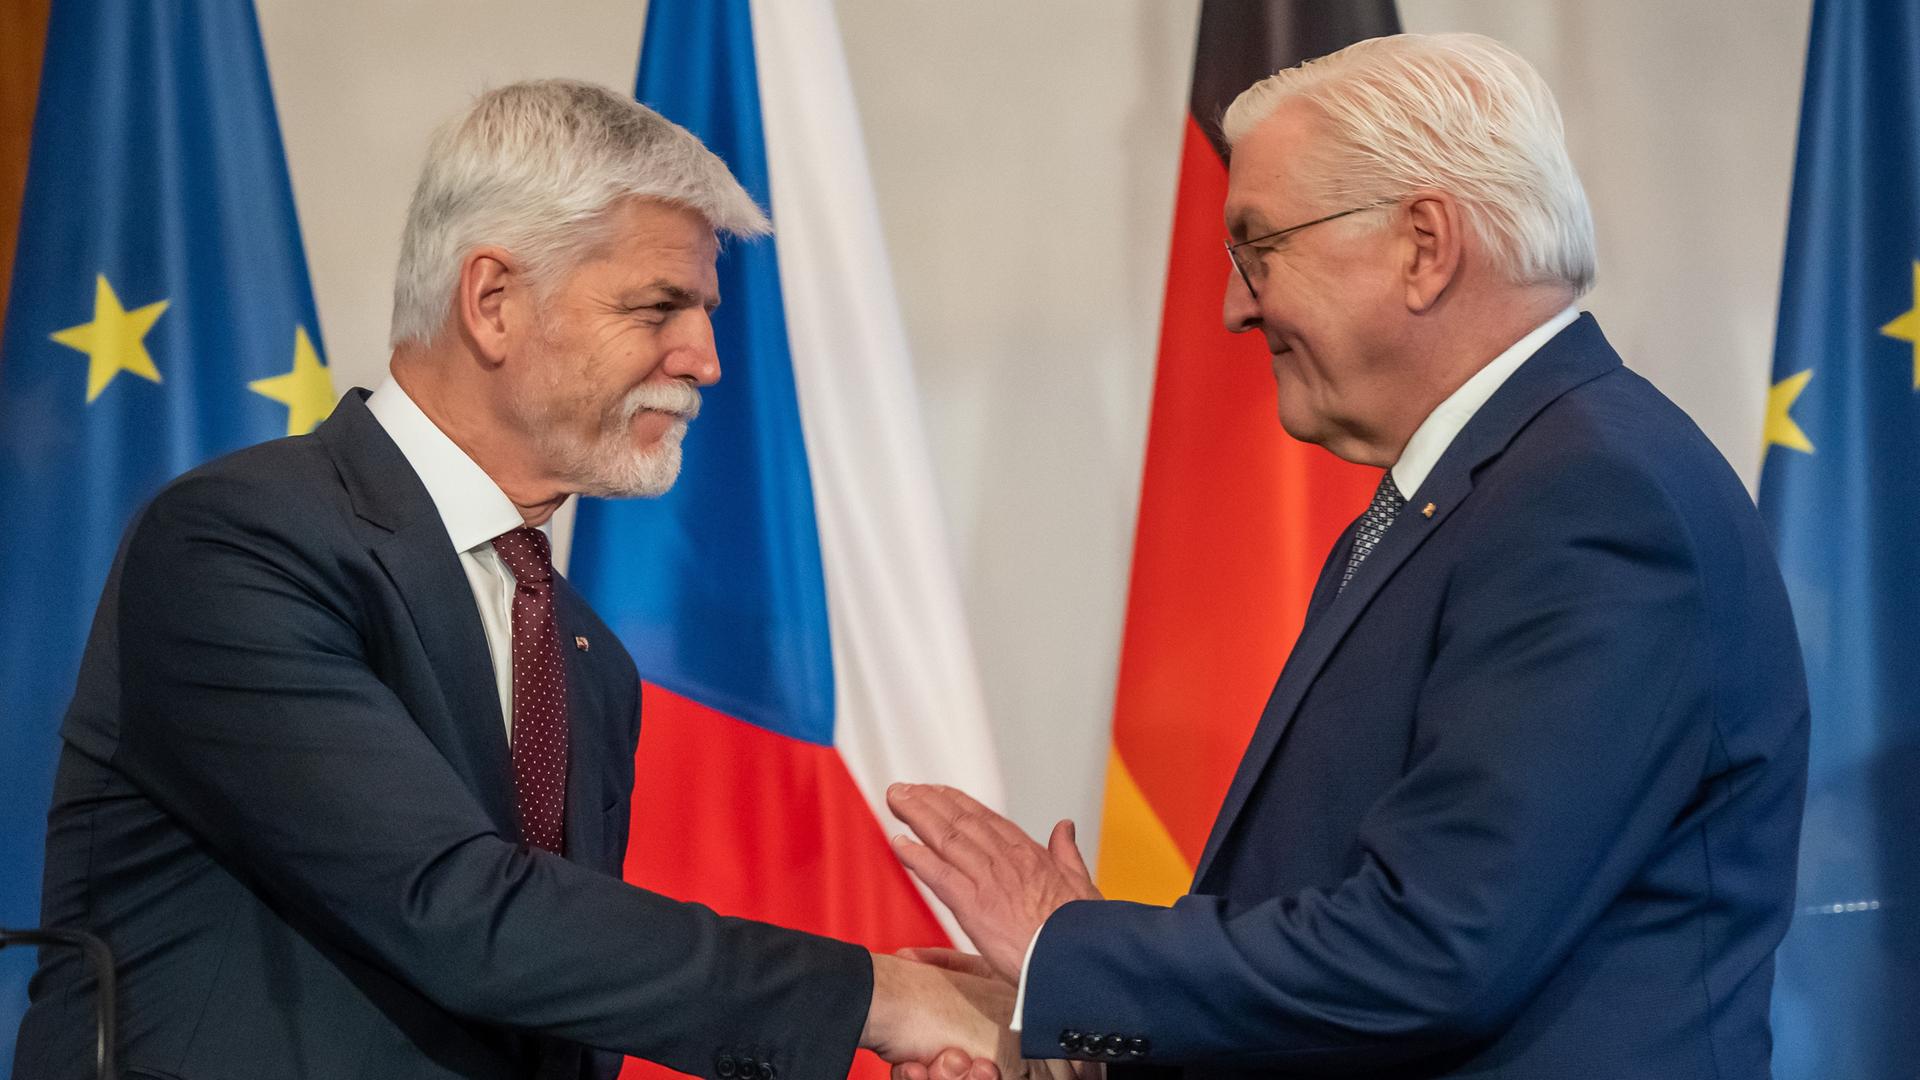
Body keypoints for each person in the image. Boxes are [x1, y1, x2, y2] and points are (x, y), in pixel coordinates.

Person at [12, 79, 1005, 1080]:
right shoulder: (241, 543)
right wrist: (876, 998)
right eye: (659, 306)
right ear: (492, 303)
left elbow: (561, 1003)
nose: (704, 358)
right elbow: (456, 909)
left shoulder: (585, 655)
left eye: (704, 311)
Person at [888, 32, 1809, 1079]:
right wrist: (1093, 1041)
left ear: (1423, 244)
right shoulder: (1486, 492)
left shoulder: (1588, 498)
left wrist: (1070, 956)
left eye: (1258, 246)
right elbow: (1379, 915)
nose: (1237, 305)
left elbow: (1438, 948)